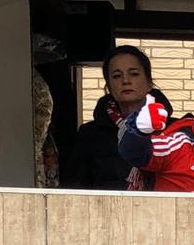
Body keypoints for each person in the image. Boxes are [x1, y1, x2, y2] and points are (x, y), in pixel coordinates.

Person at [65, 46, 172, 191]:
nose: (126, 81)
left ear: (149, 83)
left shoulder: (175, 130)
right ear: (109, 86)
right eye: (116, 76)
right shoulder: (89, 135)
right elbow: (74, 189)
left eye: (134, 74)